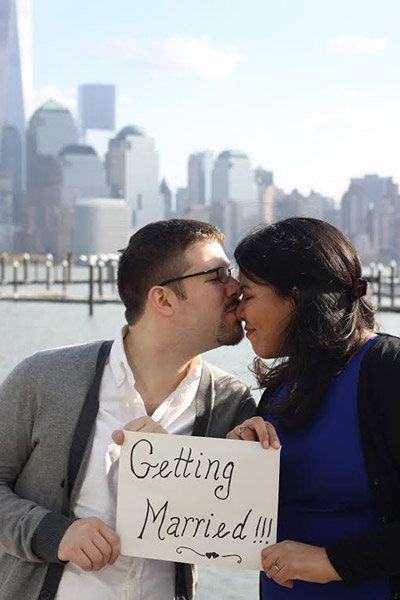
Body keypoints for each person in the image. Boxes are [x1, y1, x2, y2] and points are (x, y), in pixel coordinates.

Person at [0, 219, 256, 600]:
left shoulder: (232, 402)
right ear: (163, 300)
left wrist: (253, 462)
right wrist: (55, 534)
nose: (236, 288)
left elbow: (240, 528)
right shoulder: (44, 378)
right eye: (218, 275)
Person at [228, 217, 400, 600]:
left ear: (295, 295)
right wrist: (239, 461)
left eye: (248, 294)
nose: (239, 312)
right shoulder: (277, 392)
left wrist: (332, 562)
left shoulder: (388, 369)